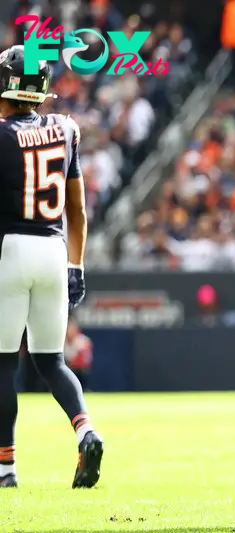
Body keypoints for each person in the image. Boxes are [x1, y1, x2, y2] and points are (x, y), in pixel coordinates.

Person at [0, 45, 103, 489]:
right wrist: (76, 265)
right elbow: (78, 211)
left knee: (3, 366)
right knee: (52, 361)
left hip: (9, 249)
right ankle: (87, 431)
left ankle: (5, 471)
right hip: (55, 252)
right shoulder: (66, 129)